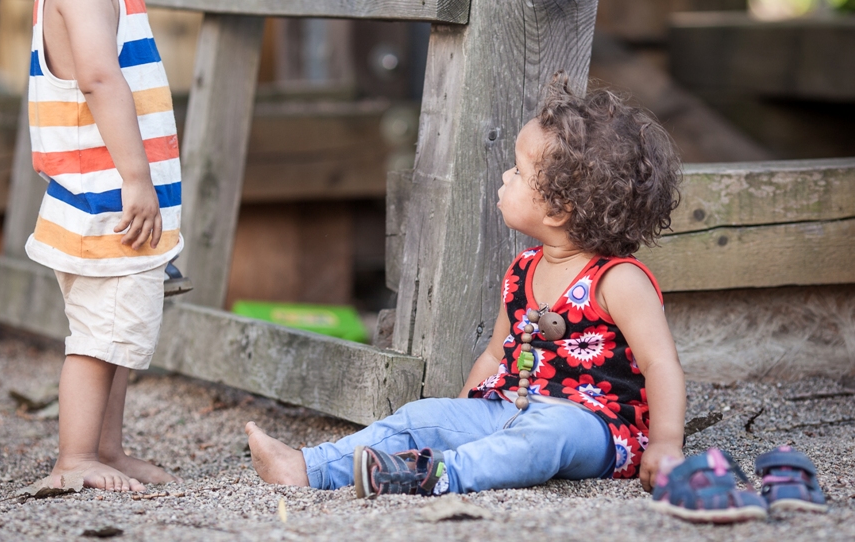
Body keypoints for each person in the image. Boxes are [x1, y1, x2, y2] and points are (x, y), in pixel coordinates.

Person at [247, 74, 686, 495]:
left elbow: (660, 364)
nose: (504, 177)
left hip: (595, 426)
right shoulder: (523, 272)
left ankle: (435, 475)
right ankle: (310, 468)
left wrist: (667, 442)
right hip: (510, 407)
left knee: (549, 434)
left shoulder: (618, 280)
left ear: (558, 209)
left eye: (516, 171)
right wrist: (456, 416)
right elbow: (496, 354)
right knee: (425, 415)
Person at [25, 0, 184, 492]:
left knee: (122, 335)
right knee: (98, 341)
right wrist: (137, 179)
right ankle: (76, 457)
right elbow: (98, 78)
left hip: (108, 201)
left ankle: (106, 447)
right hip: (107, 202)